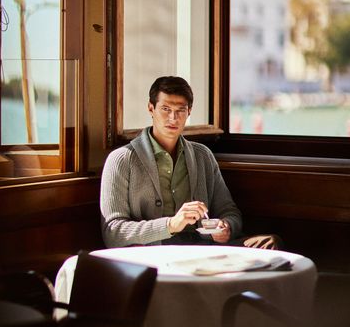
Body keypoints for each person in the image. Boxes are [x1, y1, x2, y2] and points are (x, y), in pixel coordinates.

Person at [100, 76, 280, 249]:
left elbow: (229, 211)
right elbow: (113, 232)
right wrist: (170, 224)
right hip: (152, 254)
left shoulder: (202, 156)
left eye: (180, 110)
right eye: (165, 109)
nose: (173, 118)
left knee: (270, 243)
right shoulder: (122, 159)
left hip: (203, 248)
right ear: (150, 109)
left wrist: (226, 227)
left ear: (189, 112)